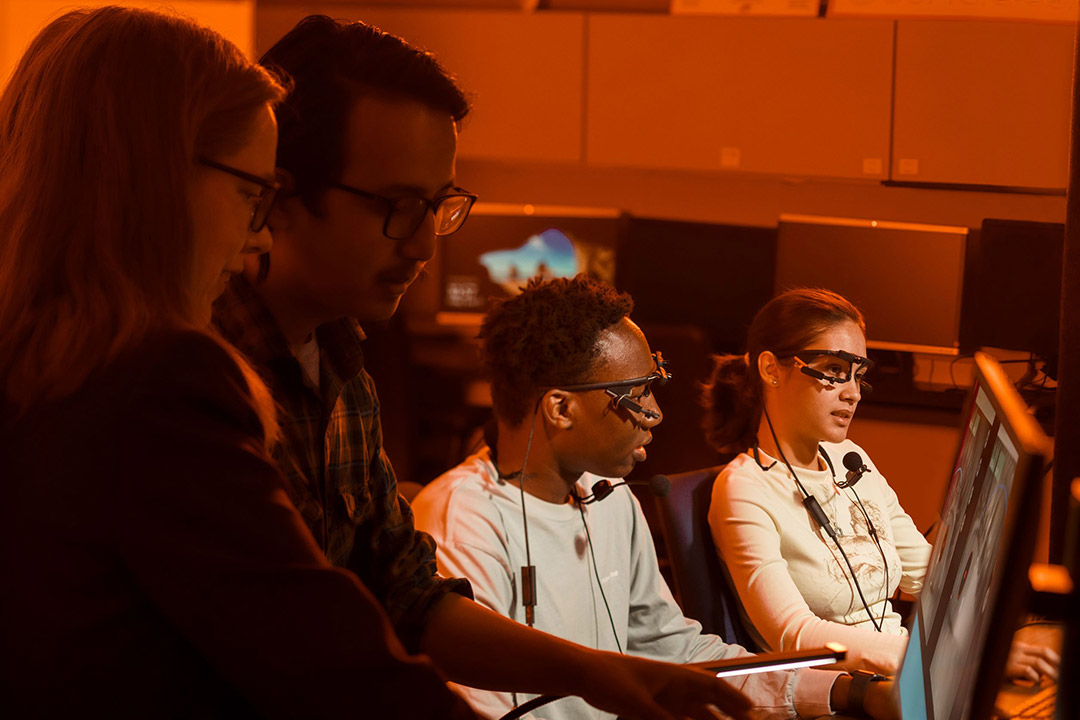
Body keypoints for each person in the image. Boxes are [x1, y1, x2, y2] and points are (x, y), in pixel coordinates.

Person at [213, 15, 753, 720]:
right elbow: (313, 653)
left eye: (438, 208)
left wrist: (600, 675)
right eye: (399, 208)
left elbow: (408, 598)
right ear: (279, 196)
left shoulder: (344, 368)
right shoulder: (203, 379)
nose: (423, 247)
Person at [0, 7, 480, 718]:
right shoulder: (160, 381)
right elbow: (337, 671)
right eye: (251, 194)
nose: (259, 236)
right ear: (158, 179)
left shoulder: (44, 362)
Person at [413, 276, 898, 720]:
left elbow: (679, 652)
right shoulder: (464, 522)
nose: (656, 415)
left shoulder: (607, 497)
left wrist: (847, 691)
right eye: (636, 395)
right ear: (561, 408)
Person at [701, 287, 1059, 682]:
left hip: (908, 673)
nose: (852, 393)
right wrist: (953, 658)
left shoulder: (851, 459)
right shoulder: (743, 490)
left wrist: (1016, 619)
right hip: (844, 694)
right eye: (835, 372)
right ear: (771, 370)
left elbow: (927, 575)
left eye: (858, 376)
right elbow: (794, 636)